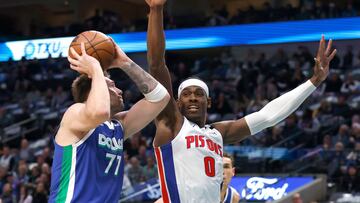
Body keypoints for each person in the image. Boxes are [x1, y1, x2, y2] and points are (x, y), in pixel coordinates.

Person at [146, 0, 337, 202]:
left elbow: (268, 116)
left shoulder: (218, 134)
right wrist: (156, 9)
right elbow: (157, 65)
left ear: (208, 102)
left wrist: (314, 81)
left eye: (199, 94)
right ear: (177, 103)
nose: (193, 97)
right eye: (186, 94)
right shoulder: (171, 125)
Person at [49, 42, 170, 203]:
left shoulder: (118, 126)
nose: (120, 91)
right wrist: (95, 68)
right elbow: (100, 112)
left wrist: (125, 62)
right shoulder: (74, 114)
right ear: (93, 88)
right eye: (112, 86)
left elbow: (161, 99)